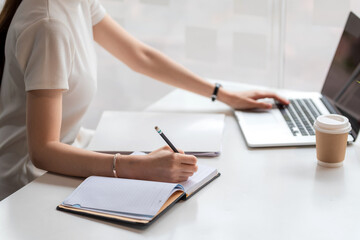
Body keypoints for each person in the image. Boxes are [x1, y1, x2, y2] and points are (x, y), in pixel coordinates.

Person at [0, 0, 289, 201]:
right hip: (29, 183)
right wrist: (138, 167)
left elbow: (140, 56)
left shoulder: (76, 3)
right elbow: (43, 151)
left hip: (67, 160)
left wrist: (222, 93)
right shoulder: (49, 24)